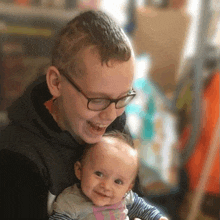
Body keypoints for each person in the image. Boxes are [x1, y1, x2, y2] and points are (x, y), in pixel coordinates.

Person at [0, 10, 142, 219]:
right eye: (97, 100)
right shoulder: (17, 160)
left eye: (122, 98)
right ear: (56, 83)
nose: (111, 115)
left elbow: (133, 197)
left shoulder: (113, 122)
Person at [49, 131, 168, 220]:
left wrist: (157, 218)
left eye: (118, 182)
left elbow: (143, 208)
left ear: (128, 188)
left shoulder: (124, 197)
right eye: (99, 174)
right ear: (79, 170)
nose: (106, 186)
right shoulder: (71, 201)